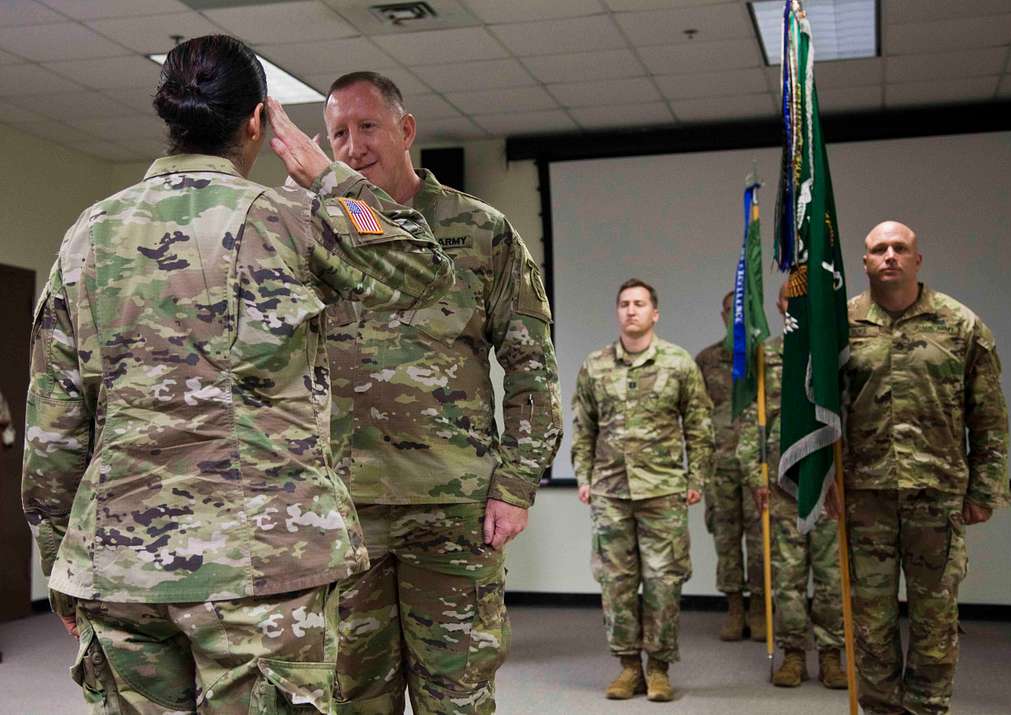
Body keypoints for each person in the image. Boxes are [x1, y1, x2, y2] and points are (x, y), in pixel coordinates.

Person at [21, 35, 454, 714]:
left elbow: (53, 427)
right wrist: (330, 179)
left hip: (119, 566)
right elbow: (424, 267)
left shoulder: (87, 235)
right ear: (256, 121)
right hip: (264, 567)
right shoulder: (287, 222)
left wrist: (61, 559)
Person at [321, 72, 562, 714]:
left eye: (367, 127)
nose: (353, 147)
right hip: (349, 512)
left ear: (406, 130)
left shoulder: (480, 231)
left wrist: (514, 486)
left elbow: (532, 367)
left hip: (453, 507)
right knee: (351, 696)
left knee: (455, 698)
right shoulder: (318, 238)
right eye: (338, 134)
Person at [843, 221, 1009, 715]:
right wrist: (822, 483)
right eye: (878, 249)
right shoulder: (842, 323)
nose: (889, 255)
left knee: (934, 622)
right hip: (865, 497)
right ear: (865, 262)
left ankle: (928, 710)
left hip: (936, 498)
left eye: (900, 248)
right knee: (870, 624)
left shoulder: (960, 325)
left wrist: (985, 489)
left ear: (918, 260)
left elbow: (989, 415)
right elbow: (818, 410)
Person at [572, 278, 714, 702]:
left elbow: (700, 426)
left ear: (655, 313)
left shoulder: (679, 363)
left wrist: (696, 480)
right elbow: (583, 428)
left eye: (639, 304)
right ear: (618, 313)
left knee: (663, 582)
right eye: (624, 304)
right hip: (611, 493)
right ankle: (628, 666)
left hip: (663, 491)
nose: (631, 310)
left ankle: (659, 668)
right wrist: (583, 478)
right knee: (616, 583)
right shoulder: (594, 365)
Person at [739, 284, 846, 689]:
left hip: (828, 483)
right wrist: (756, 476)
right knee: (787, 577)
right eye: (789, 299)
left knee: (832, 576)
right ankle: (793, 654)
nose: (794, 304)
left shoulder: (833, 353)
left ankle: (832, 655)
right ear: (780, 305)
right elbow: (750, 422)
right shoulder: (765, 356)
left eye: (804, 298)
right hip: (782, 483)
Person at [695, 290, 766, 642]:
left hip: (758, 464)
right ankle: (735, 608)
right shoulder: (706, 361)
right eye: (730, 311)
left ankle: (759, 608)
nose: (736, 318)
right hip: (719, 464)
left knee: (759, 540)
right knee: (725, 539)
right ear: (723, 316)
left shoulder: (766, 358)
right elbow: (693, 415)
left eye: (743, 312)